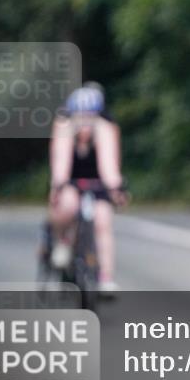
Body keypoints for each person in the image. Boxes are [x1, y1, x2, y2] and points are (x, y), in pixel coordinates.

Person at [48, 82, 127, 292]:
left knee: (103, 221)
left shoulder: (105, 128)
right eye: (80, 117)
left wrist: (116, 188)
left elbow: (109, 165)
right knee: (67, 204)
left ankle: (105, 277)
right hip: (70, 180)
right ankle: (63, 241)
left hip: (97, 182)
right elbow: (61, 164)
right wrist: (58, 186)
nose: (84, 123)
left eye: (89, 117)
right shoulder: (64, 126)